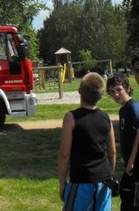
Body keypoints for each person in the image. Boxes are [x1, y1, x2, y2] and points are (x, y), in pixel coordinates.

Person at [58, 72, 116, 211]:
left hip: (81, 180)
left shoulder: (71, 117)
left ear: (80, 91)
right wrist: (110, 176)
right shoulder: (106, 118)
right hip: (104, 181)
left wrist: (61, 184)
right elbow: (112, 151)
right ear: (100, 95)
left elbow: (64, 154)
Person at [107, 74, 139, 210]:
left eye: (119, 89)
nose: (116, 94)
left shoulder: (134, 107)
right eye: (112, 91)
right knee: (126, 198)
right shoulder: (123, 110)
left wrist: (131, 161)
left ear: (127, 88)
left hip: (136, 165)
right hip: (129, 165)